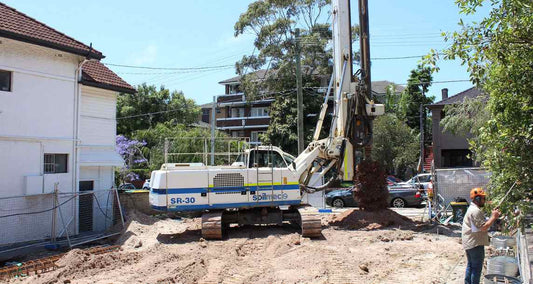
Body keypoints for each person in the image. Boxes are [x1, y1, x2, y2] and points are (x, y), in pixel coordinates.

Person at [462, 187, 500, 284]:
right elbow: (483, 227)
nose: (484, 200)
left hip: (470, 243)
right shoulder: (475, 211)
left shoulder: (472, 209)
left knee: (471, 266)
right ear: (478, 199)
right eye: (483, 198)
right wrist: (494, 217)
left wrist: (491, 216)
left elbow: (479, 224)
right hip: (475, 244)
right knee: (476, 268)